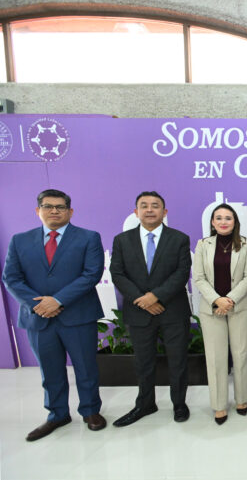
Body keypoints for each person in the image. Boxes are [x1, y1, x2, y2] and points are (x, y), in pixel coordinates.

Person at [2, 189, 106, 441]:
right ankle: (57, 414)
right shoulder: (20, 241)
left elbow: (91, 274)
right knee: (49, 371)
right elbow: (11, 278)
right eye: (48, 206)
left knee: (86, 368)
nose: (54, 211)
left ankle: (90, 411)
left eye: (60, 207)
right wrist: (38, 304)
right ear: (38, 211)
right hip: (38, 317)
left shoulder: (88, 238)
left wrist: (58, 300)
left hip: (78, 316)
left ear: (70, 211)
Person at [110, 191, 192, 427]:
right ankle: (145, 404)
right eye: (144, 205)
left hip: (173, 310)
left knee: (178, 361)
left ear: (164, 212)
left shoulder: (179, 238)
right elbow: (117, 273)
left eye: (155, 206)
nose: (149, 210)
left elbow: (181, 273)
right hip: (139, 311)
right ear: (136, 212)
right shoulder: (122, 240)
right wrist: (141, 299)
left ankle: (179, 404)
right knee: (143, 362)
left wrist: (155, 296)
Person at [192, 203, 247, 425]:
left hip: (241, 306)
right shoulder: (203, 244)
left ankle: (242, 399)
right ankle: (219, 405)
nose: (223, 222)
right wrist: (216, 300)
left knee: (240, 355)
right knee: (216, 358)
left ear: (235, 221)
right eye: (218, 218)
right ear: (212, 222)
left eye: (228, 218)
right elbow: (198, 277)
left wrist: (229, 300)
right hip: (211, 309)